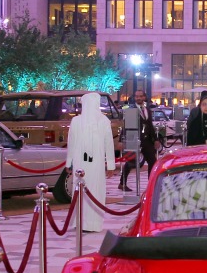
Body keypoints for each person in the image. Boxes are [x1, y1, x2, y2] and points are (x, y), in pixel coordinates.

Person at [65, 92, 117, 233]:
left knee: (91, 190)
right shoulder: (78, 121)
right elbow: (72, 142)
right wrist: (68, 162)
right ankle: (81, 222)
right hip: (85, 162)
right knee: (87, 190)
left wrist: (110, 164)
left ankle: (90, 223)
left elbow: (108, 144)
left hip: (89, 162)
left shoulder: (102, 121)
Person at [119, 88, 158, 191]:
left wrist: (156, 139)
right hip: (134, 139)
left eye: (140, 96)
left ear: (144, 97)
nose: (139, 98)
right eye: (137, 96)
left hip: (147, 140)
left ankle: (151, 184)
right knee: (131, 162)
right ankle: (122, 183)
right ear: (134, 97)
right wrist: (121, 140)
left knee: (153, 161)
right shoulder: (130, 109)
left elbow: (150, 125)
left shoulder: (147, 109)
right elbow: (125, 124)